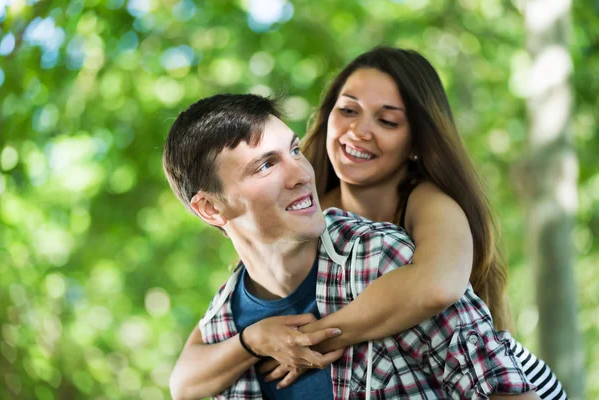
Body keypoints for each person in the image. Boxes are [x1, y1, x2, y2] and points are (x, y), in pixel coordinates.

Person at [163, 93, 539, 399]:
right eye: (265, 166)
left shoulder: (381, 258)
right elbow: (182, 385)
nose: (301, 173)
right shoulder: (223, 325)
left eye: (294, 150)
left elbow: (505, 391)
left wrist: (314, 336)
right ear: (210, 208)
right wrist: (250, 342)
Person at [296, 46, 566, 399]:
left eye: (387, 121)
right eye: (348, 110)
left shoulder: (427, 201)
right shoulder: (305, 213)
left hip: (510, 383)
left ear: (415, 142)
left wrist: (312, 342)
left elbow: (439, 286)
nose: (359, 130)